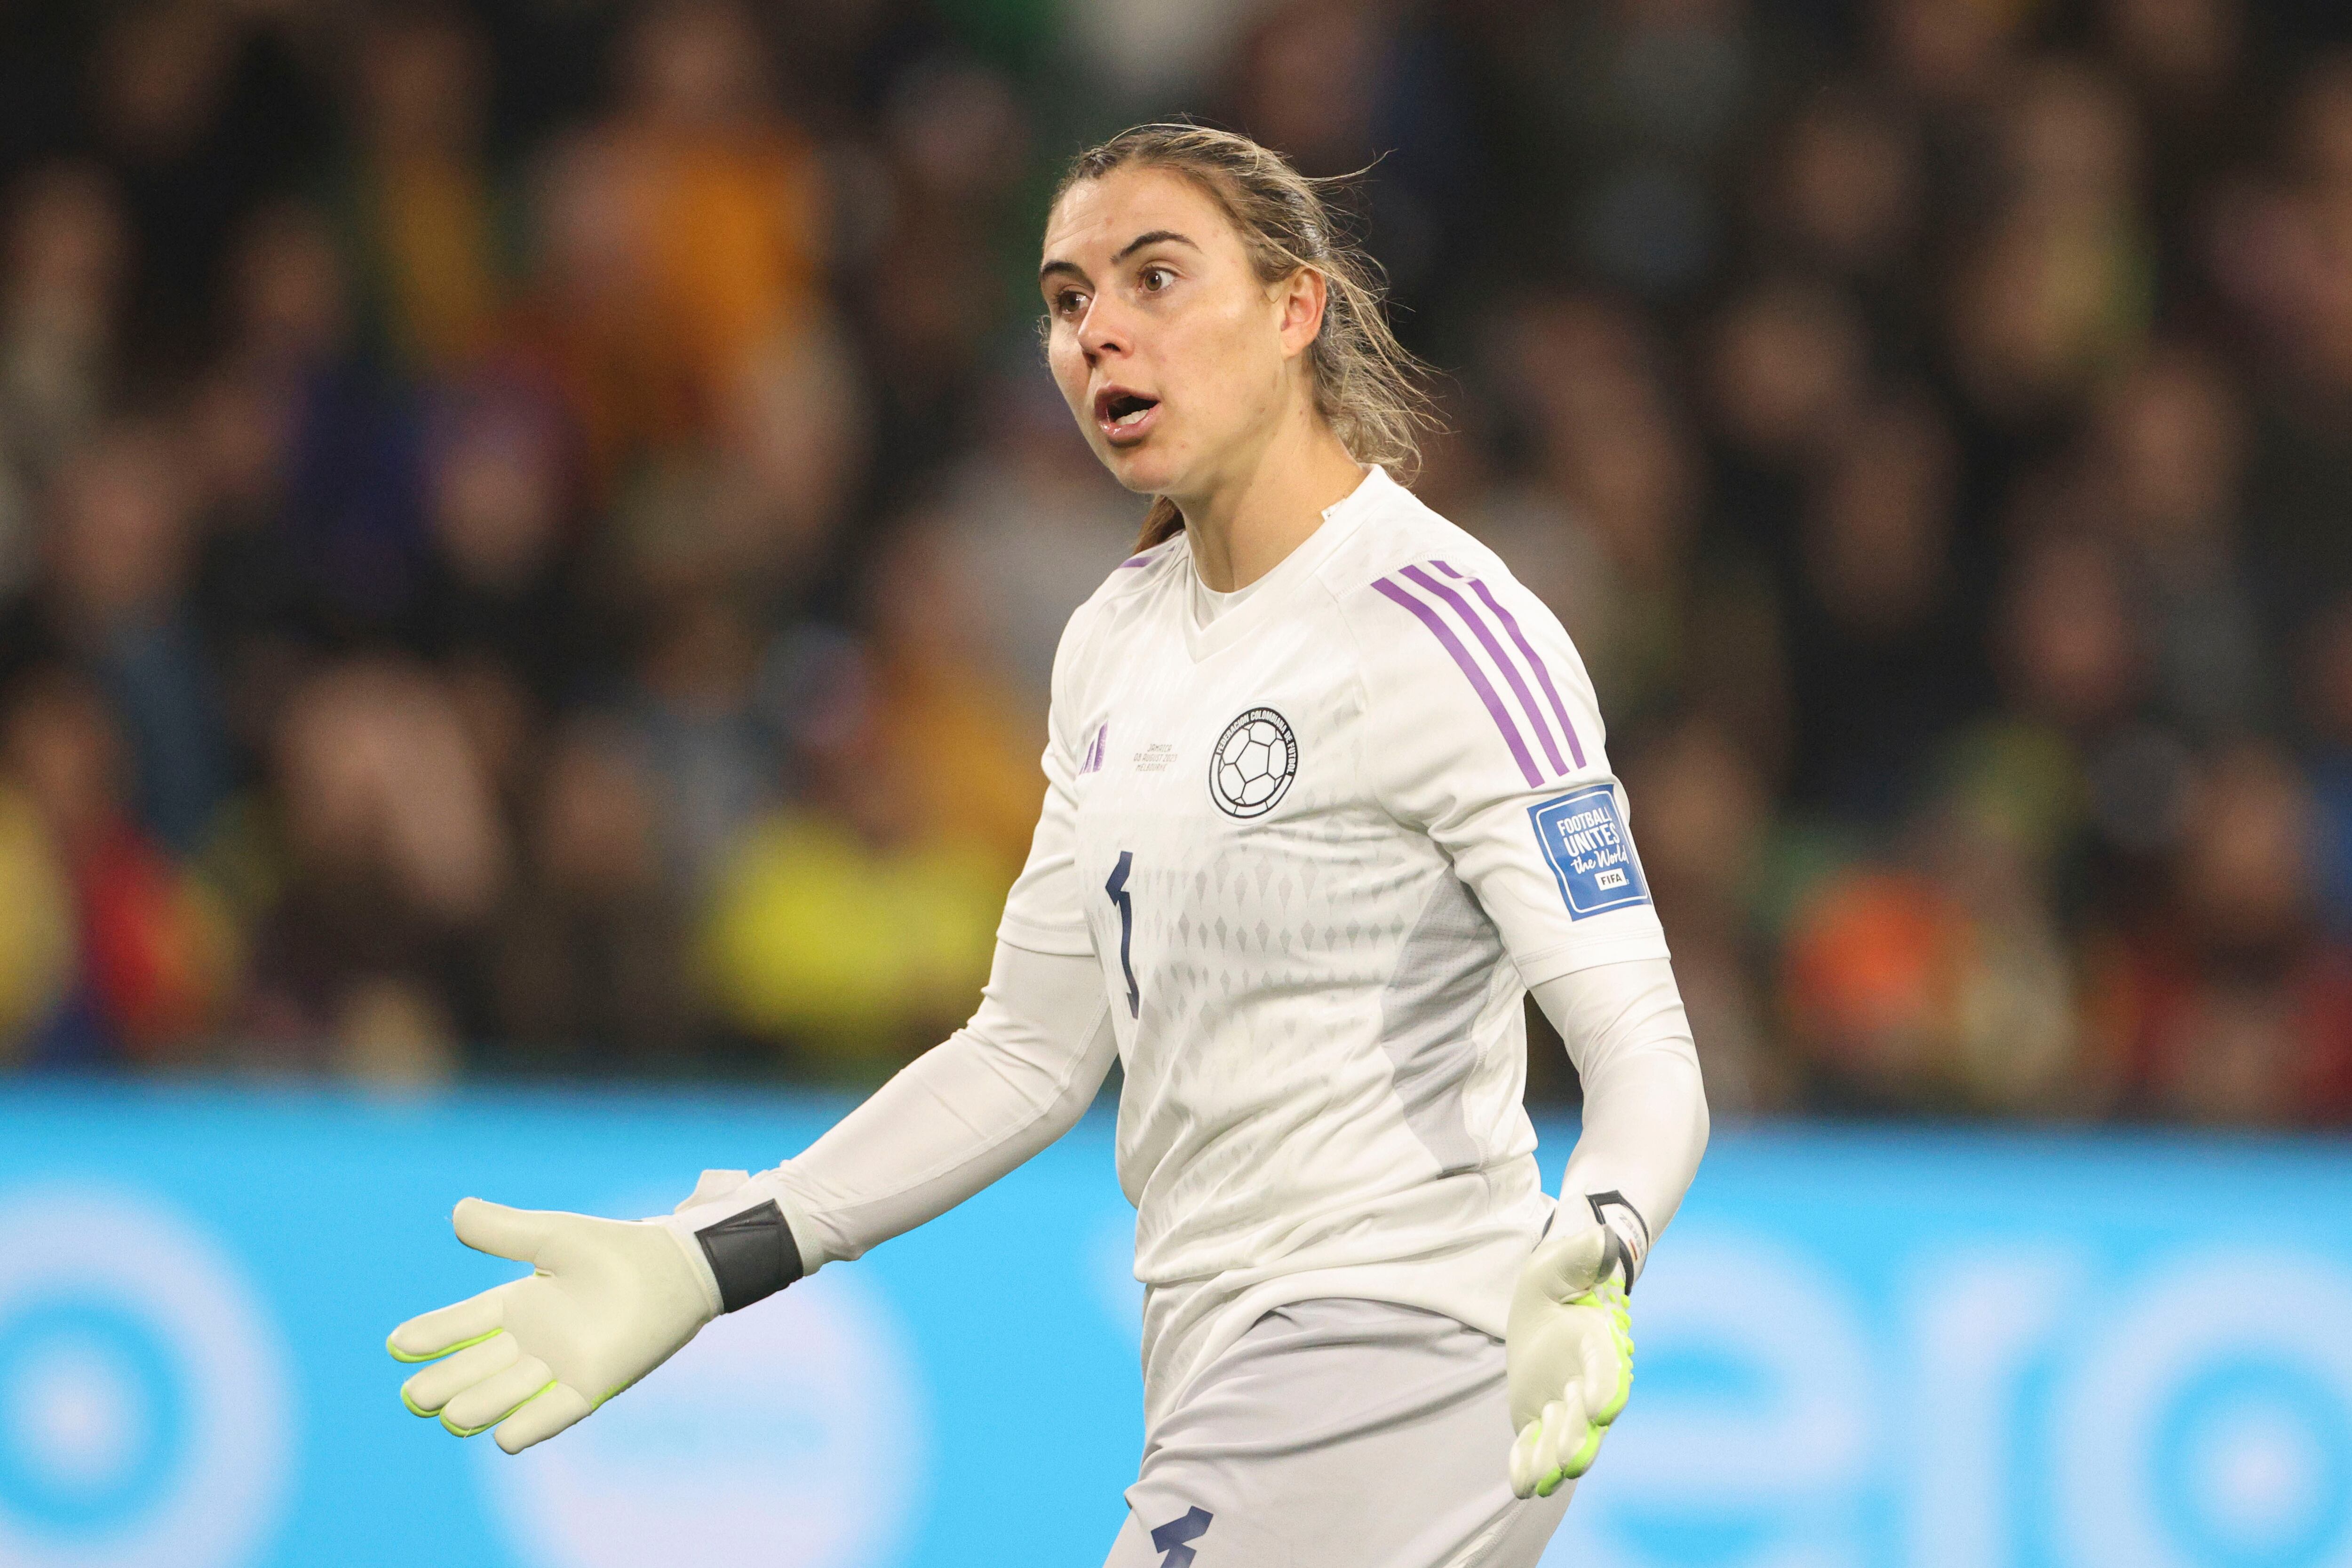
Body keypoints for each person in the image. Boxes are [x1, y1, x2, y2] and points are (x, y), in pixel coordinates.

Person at [387, 124, 1708, 1566]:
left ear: (1294, 309)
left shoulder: (1447, 628)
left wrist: (1598, 1247)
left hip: (1400, 1349)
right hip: (1227, 1369)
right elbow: (1027, 1050)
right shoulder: (1116, 642)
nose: (1100, 333)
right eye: (1069, 298)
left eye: (1155, 277)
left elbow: (1642, 1041)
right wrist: (715, 1258)